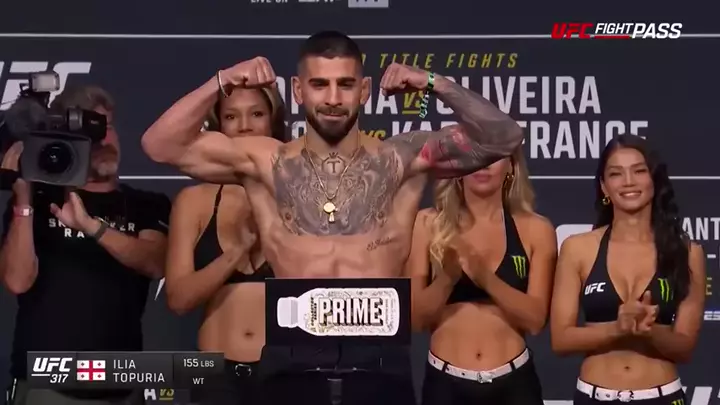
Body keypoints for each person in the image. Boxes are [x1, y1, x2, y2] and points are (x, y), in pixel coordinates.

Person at [140, 31, 524, 405]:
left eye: (345, 84)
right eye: (320, 84)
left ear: (365, 90)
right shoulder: (266, 162)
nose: (333, 98)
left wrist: (433, 83)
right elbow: (160, 146)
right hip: (291, 363)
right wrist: (221, 81)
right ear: (298, 90)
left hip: (379, 364)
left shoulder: (402, 159)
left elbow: (503, 138)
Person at [0, 86, 171, 405]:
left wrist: (92, 227)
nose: (104, 140)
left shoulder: (145, 204)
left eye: (109, 127)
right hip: (46, 386)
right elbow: (17, 280)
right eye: (92, 132)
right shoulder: (36, 204)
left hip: (122, 386)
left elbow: (156, 263)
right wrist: (23, 200)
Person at [550, 134, 705, 404]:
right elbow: (561, 340)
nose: (628, 181)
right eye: (616, 174)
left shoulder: (688, 253)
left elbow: (685, 347)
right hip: (595, 395)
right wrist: (617, 328)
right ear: (604, 187)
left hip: (662, 395)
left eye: (639, 171)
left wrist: (649, 331)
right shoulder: (577, 248)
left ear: (654, 179)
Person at [163, 83, 287, 405]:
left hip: (285, 370)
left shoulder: (301, 194)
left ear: (273, 120)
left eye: (256, 114)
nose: (244, 125)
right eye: (232, 116)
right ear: (219, 125)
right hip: (213, 374)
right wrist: (237, 252)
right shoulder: (193, 201)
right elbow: (178, 300)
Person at [406, 148, 556, 405]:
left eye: (493, 156)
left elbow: (535, 320)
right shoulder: (427, 223)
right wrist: (447, 279)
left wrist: (486, 279)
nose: (482, 164)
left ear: (511, 166)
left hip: (514, 385)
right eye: (473, 154)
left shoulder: (536, 229)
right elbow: (416, 320)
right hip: (446, 385)